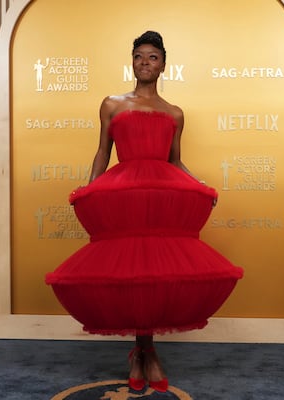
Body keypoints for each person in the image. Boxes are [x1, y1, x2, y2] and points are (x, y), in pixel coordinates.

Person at [46, 31, 243, 393]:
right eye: (139, 56)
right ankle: (141, 353)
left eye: (152, 57)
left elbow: (175, 160)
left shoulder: (174, 113)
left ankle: (146, 353)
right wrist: (90, 189)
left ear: (164, 64)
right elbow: (103, 151)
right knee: (134, 271)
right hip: (125, 191)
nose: (145, 63)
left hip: (160, 191)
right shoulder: (112, 104)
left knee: (153, 272)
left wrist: (201, 186)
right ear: (132, 62)